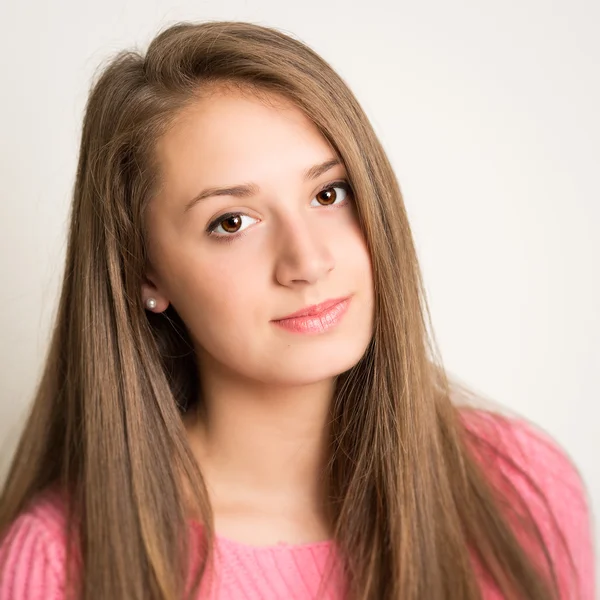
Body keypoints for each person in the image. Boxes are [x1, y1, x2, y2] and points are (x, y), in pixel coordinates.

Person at [0, 20, 595, 600]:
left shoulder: (518, 487)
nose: (307, 261)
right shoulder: (61, 563)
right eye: (231, 222)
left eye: (328, 193)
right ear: (144, 272)